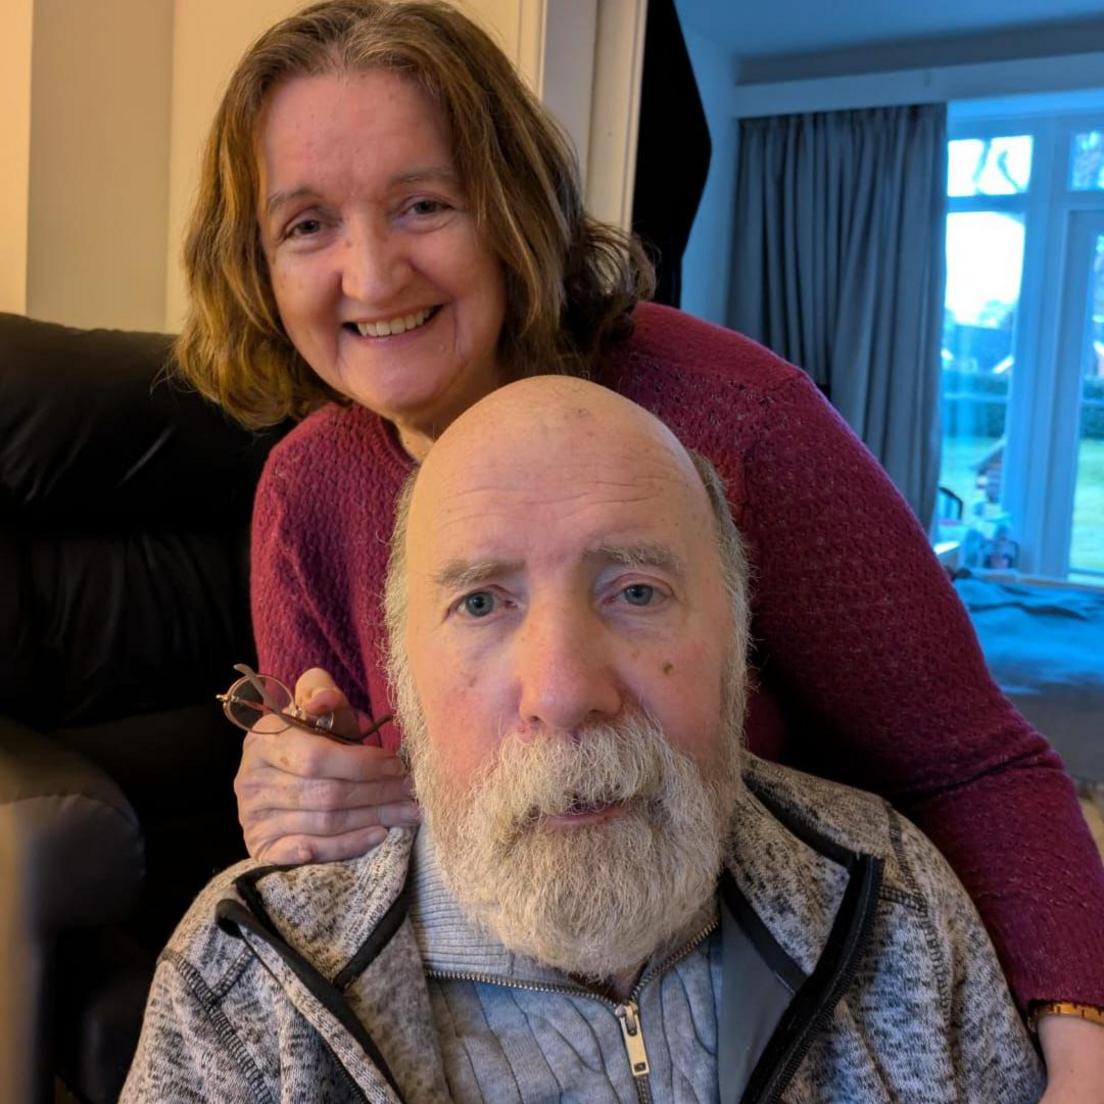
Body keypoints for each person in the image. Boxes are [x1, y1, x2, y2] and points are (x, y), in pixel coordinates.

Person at [173, 0, 1104, 1094]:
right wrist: (298, 793)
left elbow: (974, 764)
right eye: (307, 225)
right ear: (260, 264)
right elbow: (343, 861)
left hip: (772, 994)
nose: (372, 277)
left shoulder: (741, 420)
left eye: (424, 204)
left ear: (511, 210)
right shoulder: (304, 490)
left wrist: (1081, 1046)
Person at [122, 377, 1045, 1103]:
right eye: (481, 602)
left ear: (737, 640)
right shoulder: (245, 980)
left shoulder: (893, 898)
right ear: (404, 671)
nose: (564, 694)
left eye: (637, 591)